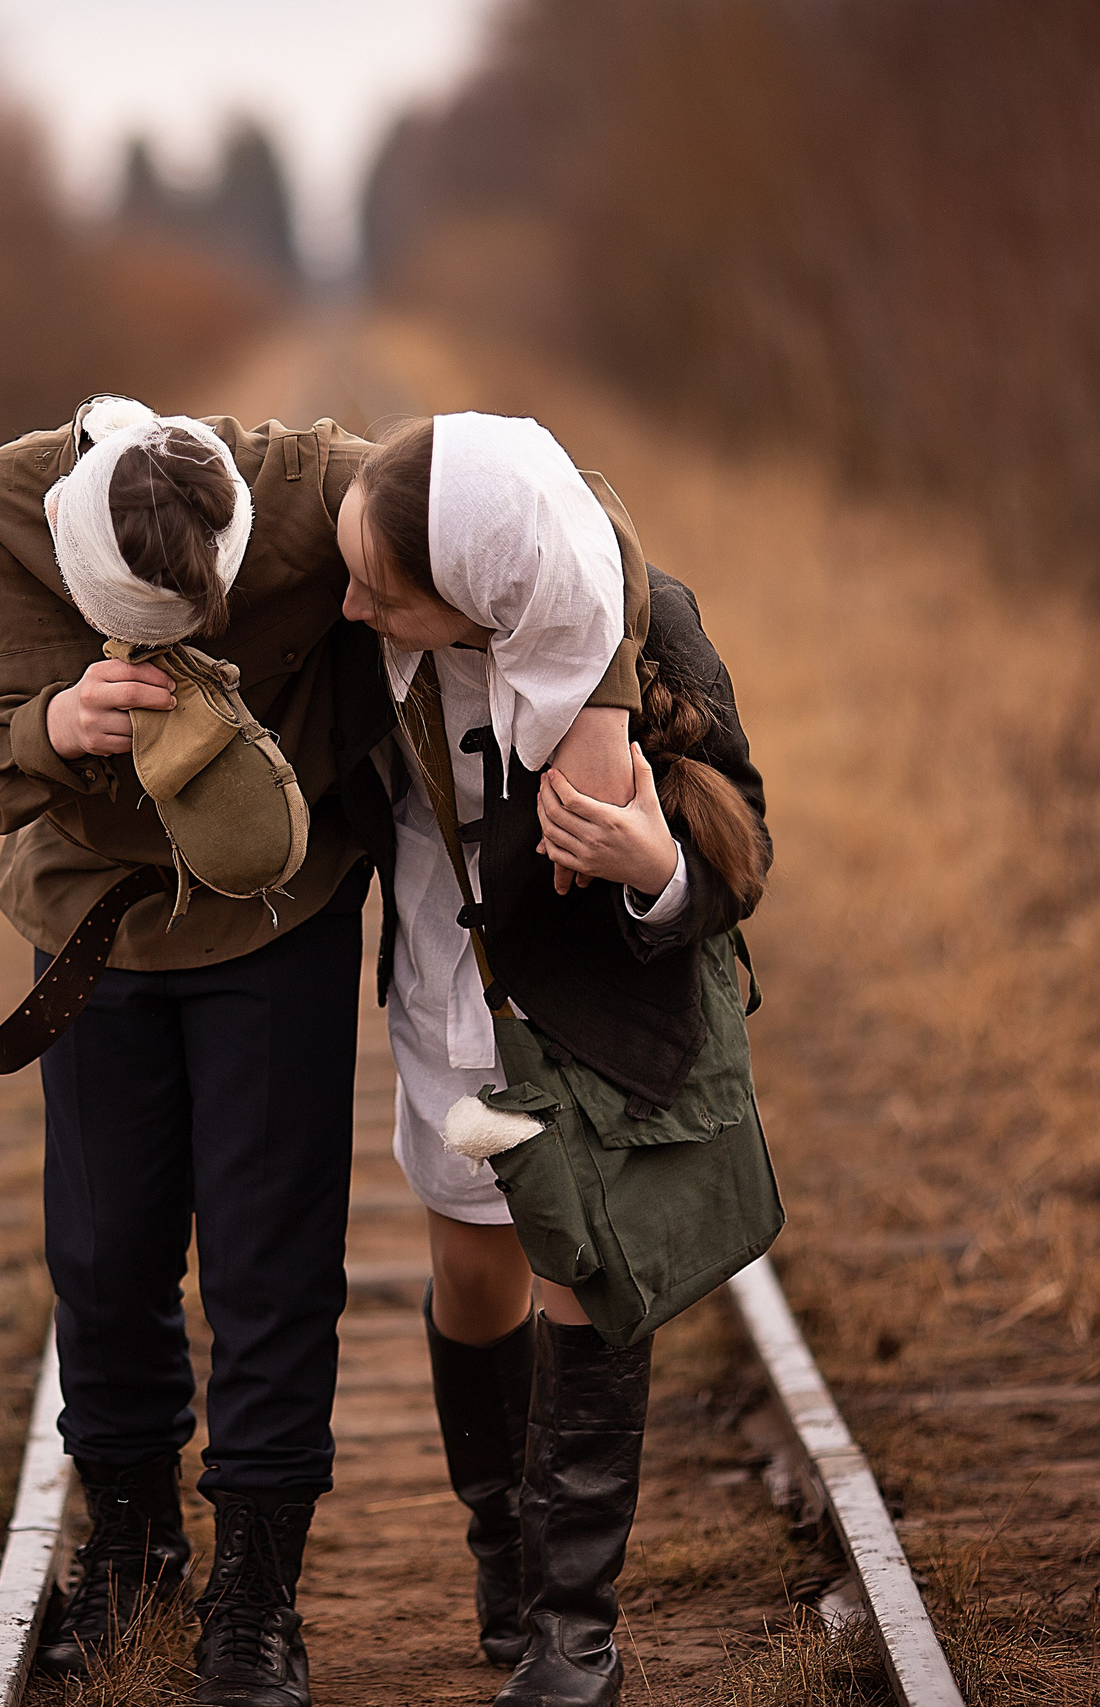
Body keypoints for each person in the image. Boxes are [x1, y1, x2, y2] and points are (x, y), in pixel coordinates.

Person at [0, 395, 381, 1707]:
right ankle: (131, 1534)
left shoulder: (309, 489)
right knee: (103, 1249)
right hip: (91, 924)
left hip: (277, 917)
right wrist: (52, 728)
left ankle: (258, 1586)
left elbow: (532, 495)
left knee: (272, 1258)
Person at [328, 413, 771, 1707]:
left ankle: (576, 1631)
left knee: (579, 1271)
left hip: (584, 1020)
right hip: (449, 1016)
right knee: (475, 1271)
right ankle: (502, 1549)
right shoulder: (371, 654)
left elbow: (745, 850)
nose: (353, 603)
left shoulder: (649, 627)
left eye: (382, 588)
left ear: (472, 590)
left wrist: (658, 870)